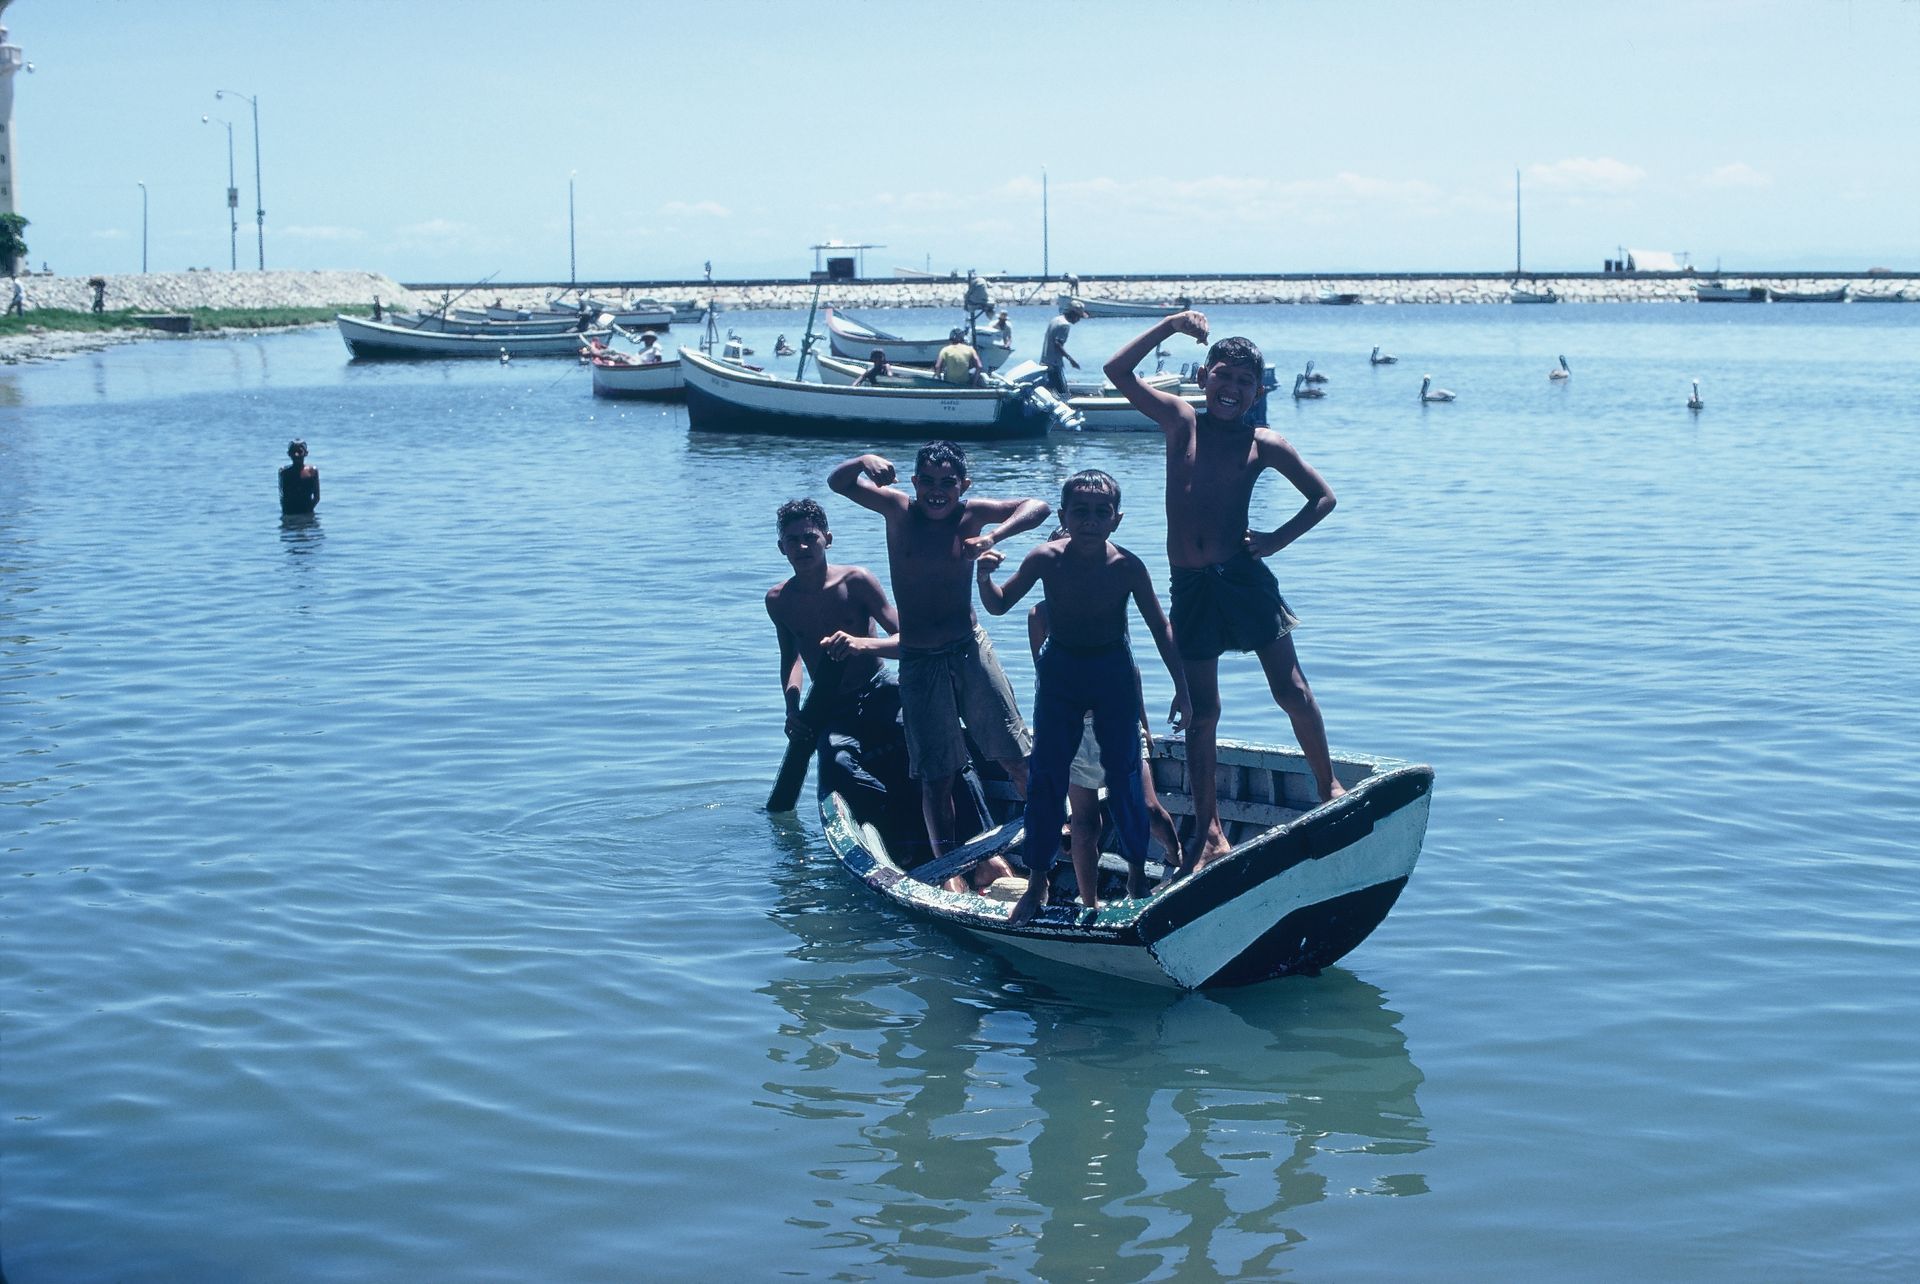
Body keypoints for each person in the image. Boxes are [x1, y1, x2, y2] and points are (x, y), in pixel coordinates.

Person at [1104, 312, 1344, 872]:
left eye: (1243, 382)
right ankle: (1209, 830)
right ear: (1203, 378)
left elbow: (1323, 497)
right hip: (1190, 587)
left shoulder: (1264, 443)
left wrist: (1274, 539)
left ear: (1257, 392)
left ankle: (1328, 784)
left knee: (1290, 688)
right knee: (1202, 711)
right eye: (1222, 377)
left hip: (1242, 578)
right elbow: (1117, 370)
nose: (1231, 389)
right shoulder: (1179, 421)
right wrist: (1168, 326)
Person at [828, 441, 1049, 887]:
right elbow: (840, 483)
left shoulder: (972, 513)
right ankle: (951, 868)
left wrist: (993, 537)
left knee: (1016, 756)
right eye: (927, 481)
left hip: (968, 648)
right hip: (918, 658)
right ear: (914, 483)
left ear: (963, 486)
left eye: (948, 483)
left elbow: (1038, 506)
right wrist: (862, 461)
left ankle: (1044, 843)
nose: (936, 492)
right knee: (936, 775)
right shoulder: (896, 508)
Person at [976, 470, 1191, 924]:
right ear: (1063, 516)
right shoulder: (1044, 558)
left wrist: (1183, 688)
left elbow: (1160, 627)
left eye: (1101, 512)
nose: (1091, 520)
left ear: (1117, 518)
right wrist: (982, 577)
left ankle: (1136, 874)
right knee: (1046, 781)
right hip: (1062, 674)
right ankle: (1037, 883)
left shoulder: (1128, 566)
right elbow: (999, 605)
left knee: (1128, 777)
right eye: (1081, 511)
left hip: (1111, 670)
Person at [765, 498, 937, 858]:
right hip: (831, 704)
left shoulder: (856, 581)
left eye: (809, 537)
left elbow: (907, 639)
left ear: (827, 538)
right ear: (781, 547)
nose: (801, 547)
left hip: (879, 688)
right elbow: (790, 659)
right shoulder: (779, 600)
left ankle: (926, 818)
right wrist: (792, 708)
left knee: (927, 743)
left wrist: (861, 644)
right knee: (837, 765)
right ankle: (890, 824)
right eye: (792, 540)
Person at [1027, 596, 1185, 901]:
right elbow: (1045, 681)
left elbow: (1129, 671)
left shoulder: (1107, 600)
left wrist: (1144, 726)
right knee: (1084, 824)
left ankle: (1174, 858)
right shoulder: (1040, 615)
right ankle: (1090, 903)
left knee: (1146, 808)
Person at [1041, 301, 1086, 396]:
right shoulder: (1065, 325)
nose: (1079, 320)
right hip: (1054, 365)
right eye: (1079, 317)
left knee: (1050, 391)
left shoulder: (1056, 319)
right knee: (1062, 394)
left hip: (1045, 361)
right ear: (1074, 314)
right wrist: (1071, 360)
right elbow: (1058, 344)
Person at [278, 439, 320, 515]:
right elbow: (282, 496)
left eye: (300, 452)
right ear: (289, 454)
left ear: (306, 453)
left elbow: (317, 497)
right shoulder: (284, 472)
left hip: (307, 512)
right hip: (289, 513)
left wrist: (308, 510)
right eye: (293, 452)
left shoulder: (312, 471)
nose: (296, 454)